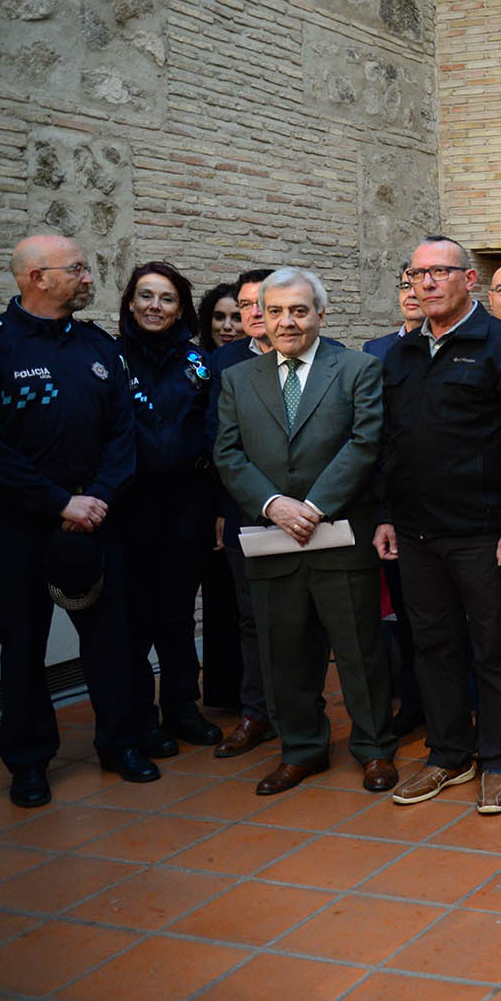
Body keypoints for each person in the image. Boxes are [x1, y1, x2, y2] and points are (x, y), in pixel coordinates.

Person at [0, 235, 156, 807]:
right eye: (76, 268)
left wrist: (95, 496)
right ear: (36, 278)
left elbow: (124, 433)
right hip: (16, 527)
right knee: (22, 647)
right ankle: (28, 762)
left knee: (111, 641)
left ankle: (121, 743)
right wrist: (57, 501)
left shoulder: (99, 344)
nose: (88, 276)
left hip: (97, 519)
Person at [377, 236, 501, 815]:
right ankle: (449, 753)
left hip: (484, 533)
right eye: (416, 274)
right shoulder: (400, 355)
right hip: (417, 534)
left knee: (494, 648)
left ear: (467, 281)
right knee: (432, 647)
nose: (425, 284)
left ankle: (500, 758)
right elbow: (390, 444)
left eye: (438, 273)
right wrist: (386, 517)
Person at [214, 268, 399, 796]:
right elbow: (227, 452)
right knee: (283, 652)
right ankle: (301, 750)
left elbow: (366, 443)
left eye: (299, 310)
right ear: (261, 319)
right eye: (275, 311)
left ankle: (374, 748)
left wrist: (313, 506)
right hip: (273, 540)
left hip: (339, 534)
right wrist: (273, 505)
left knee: (360, 651)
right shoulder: (236, 379)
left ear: (321, 313)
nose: (287, 321)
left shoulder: (358, 368)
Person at [114, 261, 224, 756]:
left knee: (178, 614)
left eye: (167, 299)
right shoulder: (109, 359)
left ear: (182, 308)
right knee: (136, 617)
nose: (155, 307)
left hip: (187, 505)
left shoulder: (199, 363)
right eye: (145, 297)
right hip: (129, 507)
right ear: (130, 303)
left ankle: (182, 708)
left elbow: (216, 431)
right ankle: (140, 718)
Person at [207, 267, 281, 758]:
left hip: (313, 512)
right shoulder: (221, 364)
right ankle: (257, 712)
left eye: (263, 303)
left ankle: (303, 707)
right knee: (252, 617)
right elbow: (218, 441)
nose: (253, 314)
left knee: (308, 618)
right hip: (245, 511)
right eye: (246, 305)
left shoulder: (330, 357)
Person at [363, 269, 426, 739]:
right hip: (397, 503)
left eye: (421, 282)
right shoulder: (374, 354)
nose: (412, 293)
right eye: (403, 284)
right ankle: (415, 702)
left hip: (454, 507)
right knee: (408, 616)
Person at [194, 280, 245, 712]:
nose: (229, 326)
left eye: (237, 316)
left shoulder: (247, 365)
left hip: (238, 502)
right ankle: (225, 693)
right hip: (206, 499)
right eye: (220, 317)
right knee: (220, 600)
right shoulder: (198, 365)